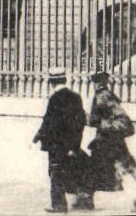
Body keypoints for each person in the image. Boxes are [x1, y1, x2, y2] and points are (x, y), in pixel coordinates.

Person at [33, 69, 91, 213]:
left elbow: (49, 121)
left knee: (55, 172)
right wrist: (75, 143)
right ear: (65, 80)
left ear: (52, 82)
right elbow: (81, 121)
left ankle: (59, 205)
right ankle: (84, 199)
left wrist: (39, 135)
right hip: (72, 142)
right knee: (74, 170)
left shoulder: (55, 99)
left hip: (57, 144)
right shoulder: (76, 97)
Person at [87, 70, 136, 211]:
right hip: (114, 139)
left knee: (93, 168)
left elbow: (95, 119)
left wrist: (91, 120)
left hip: (105, 140)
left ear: (97, 83)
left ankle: (86, 199)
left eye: (96, 82)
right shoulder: (109, 95)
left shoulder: (102, 97)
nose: (96, 85)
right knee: (123, 169)